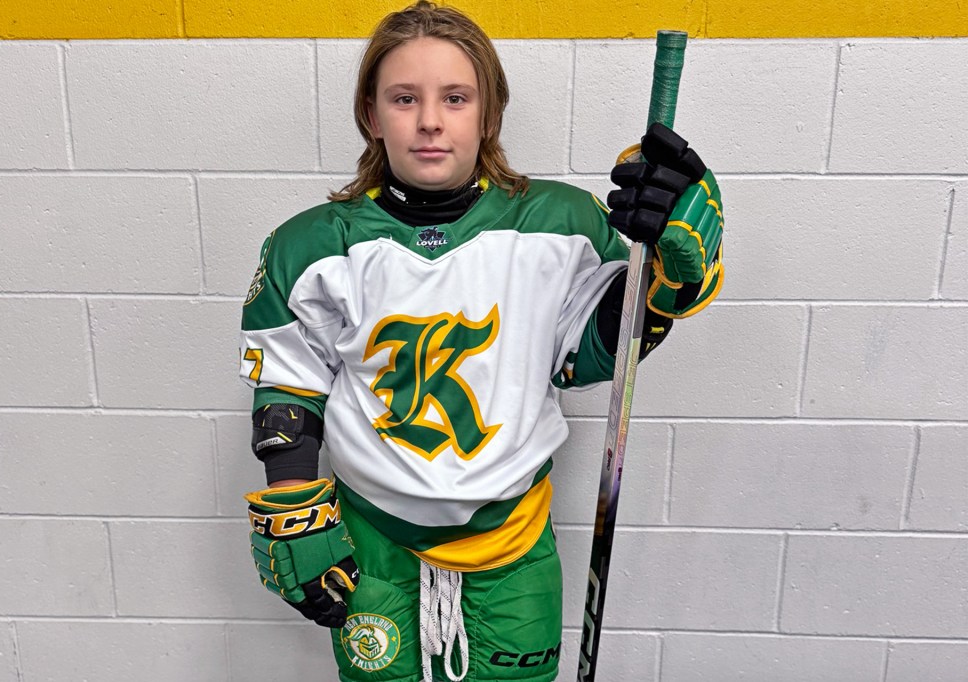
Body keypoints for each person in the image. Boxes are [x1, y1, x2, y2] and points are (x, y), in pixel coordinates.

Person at [238, 3, 723, 681]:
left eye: (455, 98)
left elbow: (590, 353)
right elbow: (289, 389)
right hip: (375, 539)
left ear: (489, 114)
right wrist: (293, 506)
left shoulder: (561, 223)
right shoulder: (313, 245)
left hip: (513, 539)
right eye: (404, 98)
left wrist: (665, 274)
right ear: (372, 116)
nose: (430, 120)